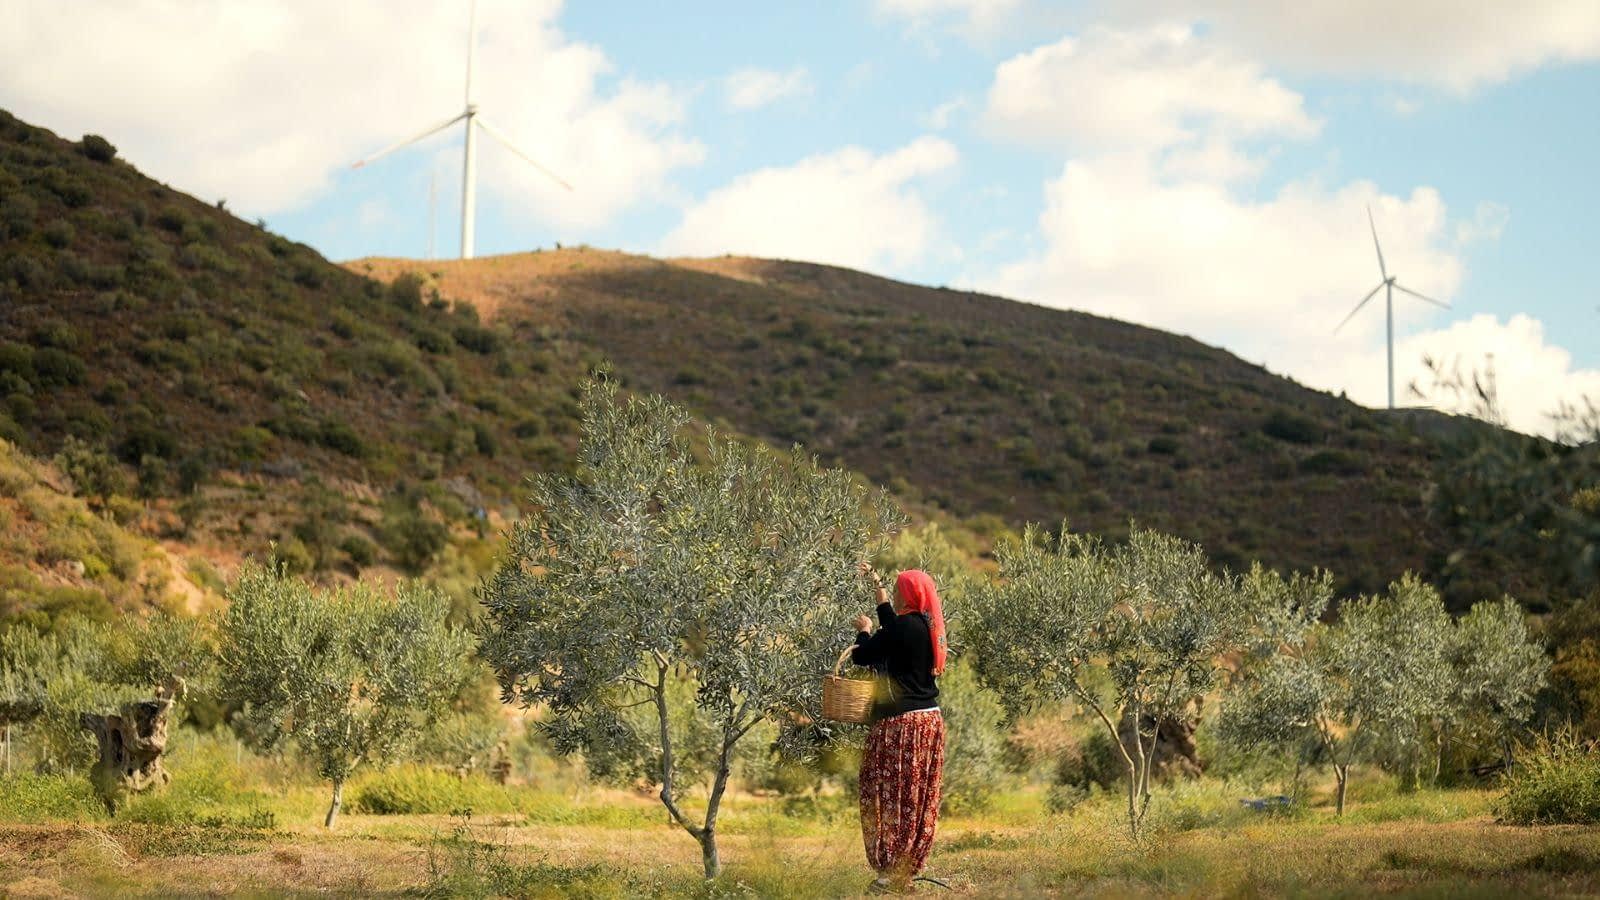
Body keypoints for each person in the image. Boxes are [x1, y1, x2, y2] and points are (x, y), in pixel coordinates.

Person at [850, 562, 948, 893]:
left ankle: (888, 874)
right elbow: (890, 621)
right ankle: (904, 871)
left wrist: (864, 630)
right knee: (915, 797)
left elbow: (863, 656)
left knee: (887, 792)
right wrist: (876, 582)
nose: (893, 594)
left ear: (907, 594)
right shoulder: (925, 626)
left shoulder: (902, 628)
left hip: (901, 725)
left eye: (896, 589)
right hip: (929, 721)